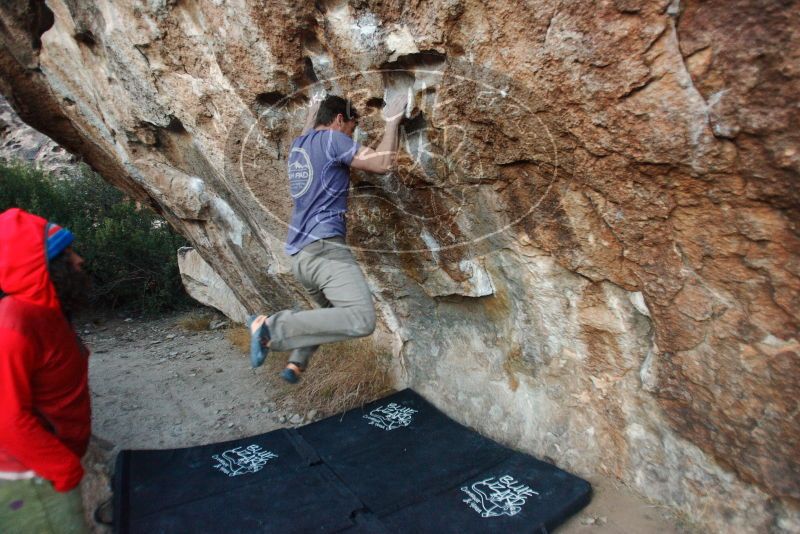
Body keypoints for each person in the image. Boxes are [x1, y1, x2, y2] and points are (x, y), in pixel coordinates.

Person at [248, 93, 407, 383]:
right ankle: (271, 327)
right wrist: (392, 121)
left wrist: (312, 110)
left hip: (299, 257)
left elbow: (309, 128)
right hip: (324, 249)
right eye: (352, 127)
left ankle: (297, 361)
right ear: (338, 120)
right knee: (361, 318)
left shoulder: (299, 145)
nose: (352, 135)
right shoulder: (334, 140)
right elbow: (382, 163)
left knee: (329, 313)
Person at [0, 208, 92, 533]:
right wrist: (63, 467)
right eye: (67, 255)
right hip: (30, 477)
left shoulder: (49, 313)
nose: (79, 260)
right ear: (43, 266)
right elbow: (7, 418)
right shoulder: (15, 326)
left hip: (50, 466)